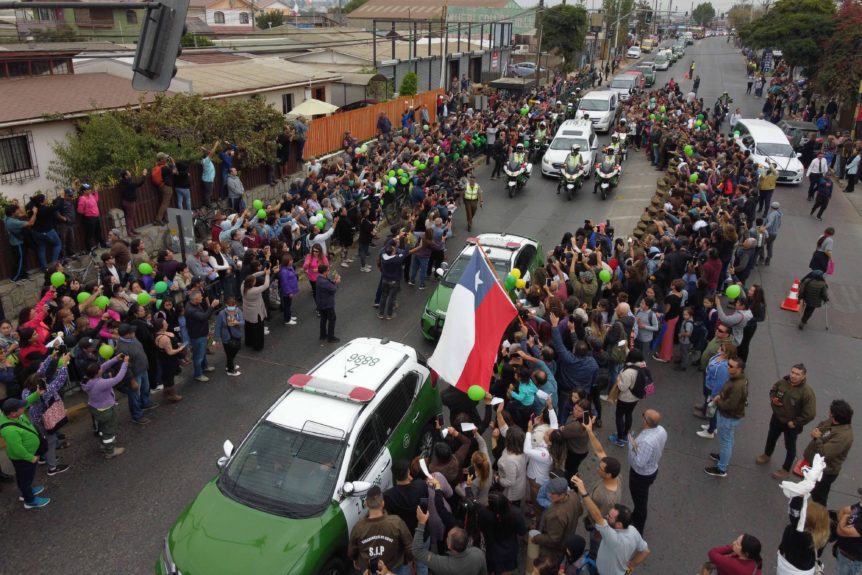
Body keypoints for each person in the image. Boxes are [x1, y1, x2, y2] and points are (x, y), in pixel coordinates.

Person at [571, 475, 649, 575]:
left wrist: (584, 492)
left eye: (609, 517)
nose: (606, 517)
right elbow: (645, 551)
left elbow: (597, 516)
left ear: (619, 524)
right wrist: (632, 565)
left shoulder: (613, 537)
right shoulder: (632, 530)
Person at [755, 364, 816, 480]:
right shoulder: (782, 382)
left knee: (790, 446)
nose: (793, 376)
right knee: (771, 437)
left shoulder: (807, 392)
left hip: (791, 424)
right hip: (777, 418)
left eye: (797, 374)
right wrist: (773, 399)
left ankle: (785, 469)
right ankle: (766, 454)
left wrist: (795, 422)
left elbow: (810, 414)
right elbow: (773, 390)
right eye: (793, 372)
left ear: (803, 376)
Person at [348, 485, 413, 575]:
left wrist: (356, 560)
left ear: (366, 504)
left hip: (370, 571)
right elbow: (410, 547)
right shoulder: (396, 522)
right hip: (396, 569)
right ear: (382, 503)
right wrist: (407, 560)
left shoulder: (358, 528)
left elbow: (351, 552)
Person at [1, 393, 50, 508]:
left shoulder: (12, 414)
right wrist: (31, 458)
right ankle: (29, 500)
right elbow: (16, 449)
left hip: (27, 456)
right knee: (25, 478)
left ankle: (26, 491)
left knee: (25, 477)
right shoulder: (10, 430)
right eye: (20, 407)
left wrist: (37, 394)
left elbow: (26, 402)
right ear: (13, 413)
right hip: (23, 459)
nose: (24, 407)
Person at [802, 399, 854, 506]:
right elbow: (822, 425)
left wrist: (817, 438)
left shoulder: (843, 436)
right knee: (812, 491)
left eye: (830, 412)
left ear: (835, 417)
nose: (828, 413)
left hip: (825, 471)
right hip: (816, 466)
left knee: (819, 497)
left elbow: (824, 453)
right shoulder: (833, 421)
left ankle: (818, 519)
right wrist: (817, 430)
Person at [624, 408, 666, 536]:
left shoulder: (647, 442)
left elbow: (639, 462)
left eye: (643, 415)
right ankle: (635, 516)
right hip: (652, 469)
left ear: (646, 421)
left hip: (640, 475)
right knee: (640, 501)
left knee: (640, 502)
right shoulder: (661, 430)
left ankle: (638, 530)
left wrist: (631, 444)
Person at [704, 357, 748, 478]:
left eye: (731, 366)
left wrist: (718, 401)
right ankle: (724, 457)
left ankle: (721, 468)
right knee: (728, 439)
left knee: (726, 441)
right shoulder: (738, 379)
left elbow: (730, 405)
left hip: (728, 416)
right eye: (728, 364)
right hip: (730, 416)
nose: (728, 367)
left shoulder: (737, 385)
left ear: (739, 369)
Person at [81, 353, 130, 459]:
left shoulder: (87, 380)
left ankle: (104, 445)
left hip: (95, 408)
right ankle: (110, 450)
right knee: (109, 429)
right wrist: (125, 363)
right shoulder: (100, 384)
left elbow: (102, 366)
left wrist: (116, 359)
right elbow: (118, 379)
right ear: (97, 373)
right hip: (105, 410)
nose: (101, 369)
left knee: (103, 428)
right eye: (99, 369)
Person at [412, 505, 487, 575]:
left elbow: (417, 551)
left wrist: (421, 523)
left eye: (447, 537)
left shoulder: (442, 564)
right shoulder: (478, 554)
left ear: (449, 546)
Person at [530, 476, 583, 563]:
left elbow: (553, 539)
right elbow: (580, 511)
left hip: (555, 549)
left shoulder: (557, 515)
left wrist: (536, 538)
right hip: (569, 536)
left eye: (553, 493)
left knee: (547, 565)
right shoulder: (573, 496)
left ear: (562, 494)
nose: (549, 494)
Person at [116, 323, 158, 425]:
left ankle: (145, 402)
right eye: (132, 331)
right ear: (127, 334)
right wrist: (132, 380)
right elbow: (125, 366)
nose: (134, 332)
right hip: (134, 374)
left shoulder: (133, 339)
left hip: (143, 369)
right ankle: (136, 415)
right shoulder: (122, 348)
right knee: (134, 395)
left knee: (145, 388)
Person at [478, 492, 527, 575]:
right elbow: (522, 532)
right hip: (509, 549)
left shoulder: (484, 512)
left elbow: (480, 527)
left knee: (492, 569)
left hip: (491, 548)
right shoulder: (515, 514)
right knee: (506, 570)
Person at [777, 498, 829, 574]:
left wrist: (798, 495)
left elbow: (793, 514)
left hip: (787, 566)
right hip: (806, 570)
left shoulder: (794, 531)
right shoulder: (823, 536)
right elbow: (819, 553)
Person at [185, 290, 219, 382]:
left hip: (201, 333)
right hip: (197, 335)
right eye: (200, 297)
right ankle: (198, 374)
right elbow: (204, 317)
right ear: (195, 299)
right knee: (198, 356)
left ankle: (205, 366)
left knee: (202, 352)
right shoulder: (191, 310)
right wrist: (212, 306)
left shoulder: (195, 305)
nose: (202, 298)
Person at [241, 267, 272, 351]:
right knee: (258, 330)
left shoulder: (243, 286)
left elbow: (252, 276)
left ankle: (249, 342)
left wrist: (263, 272)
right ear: (251, 283)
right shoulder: (254, 290)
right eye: (254, 281)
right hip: (256, 312)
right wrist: (267, 275)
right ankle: (258, 346)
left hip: (247, 311)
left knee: (249, 328)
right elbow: (266, 285)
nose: (255, 281)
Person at [214, 297, 244, 377]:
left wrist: (237, 322)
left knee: (236, 348)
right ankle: (230, 370)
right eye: (229, 305)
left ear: (235, 305)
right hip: (226, 337)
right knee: (229, 353)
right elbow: (218, 327)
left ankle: (229, 364)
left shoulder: (238, 311)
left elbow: (242, 322)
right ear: (226, 305)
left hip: (237, 335)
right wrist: (216, 339)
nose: (231, 307)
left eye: (233, 305)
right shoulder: (221, 314)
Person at [834, 498, 862, 575]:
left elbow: (841, 531)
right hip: (843, 554)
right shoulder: (859, 506)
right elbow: (842, 510)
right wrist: (843, 524)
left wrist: (844, 518)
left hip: (851, 560)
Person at [316, 264, 340, 343]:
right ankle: (331, 337)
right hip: (327, 304)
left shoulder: (320, 278)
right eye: (328, 270)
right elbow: (333, 289)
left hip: (321, 303)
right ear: (325, 272)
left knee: (323, 319)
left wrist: (334, 281)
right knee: (332, 319)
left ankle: (322, 335)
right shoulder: (323, 281)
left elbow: (329, 284)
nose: (329, 271)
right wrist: (337, 283)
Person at [762, 201, 782, 266]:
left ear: (771, 207)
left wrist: (764, 227)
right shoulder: (779, 214)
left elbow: (770, 222)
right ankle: (768, 259)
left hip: (769, 232)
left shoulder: (772, 214)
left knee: (761, 244)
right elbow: (779, 224)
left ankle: (761, 257)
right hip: (774, 233)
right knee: (770, 245)